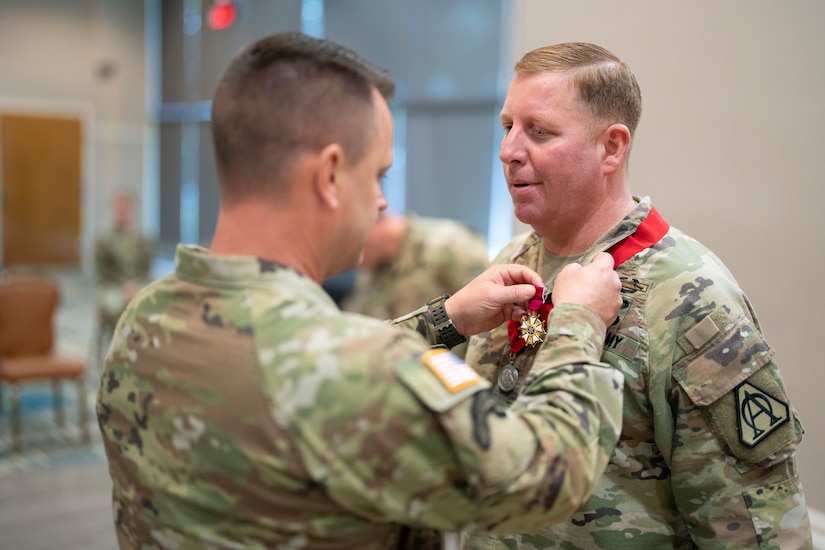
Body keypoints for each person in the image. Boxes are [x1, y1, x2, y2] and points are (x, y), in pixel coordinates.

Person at [95, 32, 626, 549]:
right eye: (377, 176)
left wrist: (448, 319)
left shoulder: (147, 316)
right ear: (328, 176)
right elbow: (543, 477)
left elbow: (322, 358)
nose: (379, 203)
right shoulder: (364, 369)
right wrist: (579, 322)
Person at [461, 42, 812, 549]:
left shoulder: (691, 299)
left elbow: (755, 533)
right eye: (507, 126)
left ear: (612, 147)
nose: (509, 150)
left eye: (538, 131)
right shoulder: (510, 263)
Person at [340, 210, 489, 355]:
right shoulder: (372, 266)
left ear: (371, 225)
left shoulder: (453, 247)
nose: (346, 258)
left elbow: (483, 326)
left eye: (345, 242)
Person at [93, 189, 153, 352]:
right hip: (112, 286)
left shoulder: (142, 239)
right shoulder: (104, 240)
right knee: (115, 306)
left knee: (152, 305)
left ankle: (143, 351)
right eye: (120, 208)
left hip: (138, 284)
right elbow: (101, 274)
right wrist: (122, 287)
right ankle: (119, 351)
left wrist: (135, 286)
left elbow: (146, 270)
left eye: (127, 208)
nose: (123, 212)